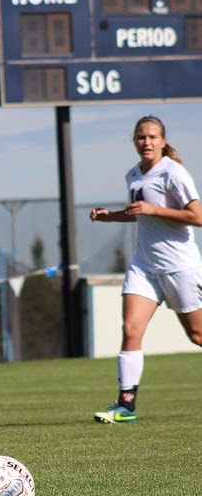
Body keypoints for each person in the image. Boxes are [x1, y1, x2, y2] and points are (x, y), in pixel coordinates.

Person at [90, 115, 202, 424]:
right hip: (144, 264)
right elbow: (139, 215)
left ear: (163, 141)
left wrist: (155, 209)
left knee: (196, 334)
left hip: (179, 265)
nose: (146, 142)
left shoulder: (174, 173)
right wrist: (109, 216)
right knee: (130, 329)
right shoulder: (133, 175)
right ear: (135, 141)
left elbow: (197, 216)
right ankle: (126, 405)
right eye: (141, 137)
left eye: (152, 137)